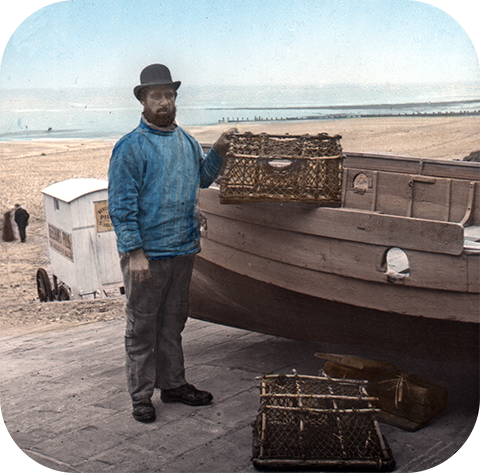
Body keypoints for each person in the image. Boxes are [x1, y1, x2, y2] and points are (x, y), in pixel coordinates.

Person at [108, 64, 231, 423]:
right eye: (156, 95)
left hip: (182, 250)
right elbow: (120, 205)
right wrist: (135, 252)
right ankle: (141, 397)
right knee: (142, 327)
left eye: (169, 95)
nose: (164, 101)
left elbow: (203, 180)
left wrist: (219, 151)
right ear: (143, 100)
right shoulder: (130, 147)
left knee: (173, 323)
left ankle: (174, 385)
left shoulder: (187, 141)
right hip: (146, 255)